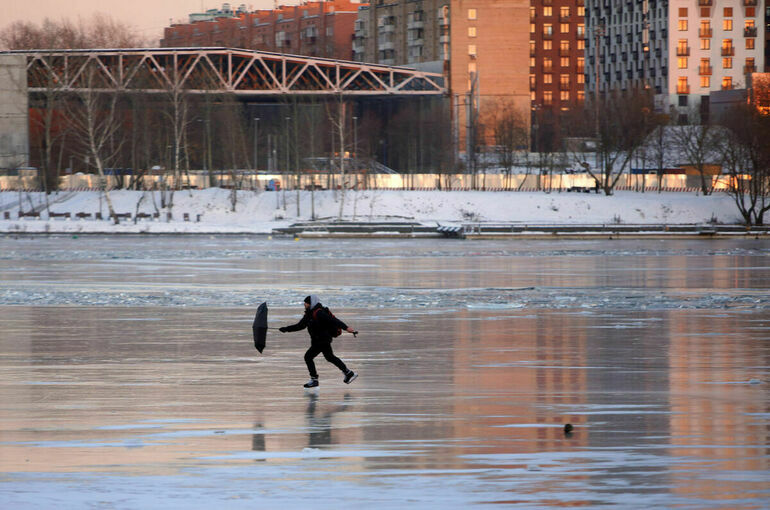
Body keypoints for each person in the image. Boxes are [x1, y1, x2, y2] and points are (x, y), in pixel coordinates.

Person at [279, 295, 358, 388]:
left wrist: (346, 328)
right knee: (330, 357)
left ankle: (314, 379)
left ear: (311, 303)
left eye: (306, 303)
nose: (304, 304)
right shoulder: (309, 314)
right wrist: (286, 329)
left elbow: (334, 320)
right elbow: (300, 326)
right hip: (319, 340)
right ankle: (348, 373)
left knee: (308, 357)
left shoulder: (319, 312)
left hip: (322, 340)